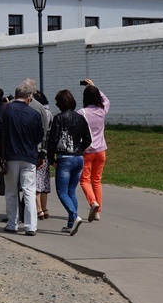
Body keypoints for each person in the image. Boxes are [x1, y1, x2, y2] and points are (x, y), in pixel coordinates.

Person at [1, 80, 45, 236]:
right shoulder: (34, 113)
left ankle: (12, 223)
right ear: (29, 98)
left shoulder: (6, 110)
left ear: (15, 95)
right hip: (29, 156)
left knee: (11, 191)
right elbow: (39, 136)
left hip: (10, 155)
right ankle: (31, 226)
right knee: (29, 190)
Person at [46, 89, 92, 235]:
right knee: (72, 191)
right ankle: (71, 222)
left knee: (62, 192)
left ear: (61, 103)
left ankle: (74, 215)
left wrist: (50, 158)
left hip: (64, 158)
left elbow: (52, 140)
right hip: (78, 158)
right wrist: (79, 149)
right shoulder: (80, 118)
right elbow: (88, 139)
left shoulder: (58, 118)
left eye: (57, 101)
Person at [79, 79, 110, 222]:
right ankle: (98, 212)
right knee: (97, 180)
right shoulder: (102, 110)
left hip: (87, 150)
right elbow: (105, 99)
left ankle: (93, 203)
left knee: (84, 180)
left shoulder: (82, 113)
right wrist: (93, 86)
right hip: (101, 150)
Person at [31, 92, 53, 220]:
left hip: (38, 150)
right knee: (44, 182)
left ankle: (38, 209)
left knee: (35, 182)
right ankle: (45, 208)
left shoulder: (38, 112)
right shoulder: (50, 113)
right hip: (47, 150)